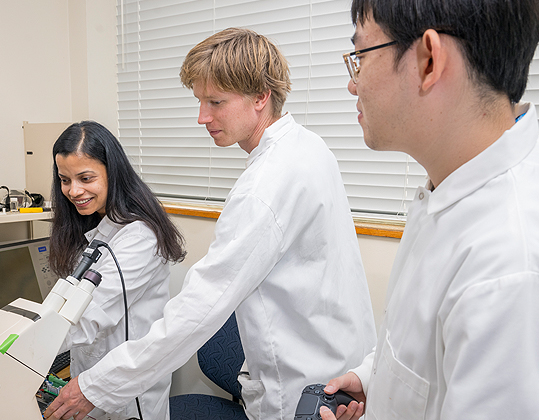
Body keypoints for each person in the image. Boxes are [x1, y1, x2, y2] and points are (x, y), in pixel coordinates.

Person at [44, 28, 376, 420]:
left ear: (260, 96)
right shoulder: (309, 149)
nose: (203, 117)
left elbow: (200, 307)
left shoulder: (265, 186)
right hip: (333, 373)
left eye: (215, 102)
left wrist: (100, 385)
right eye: (201, 101)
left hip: (299, 393)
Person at [320, 1, 539, 419]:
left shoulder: (519, 271)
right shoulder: (452, 188)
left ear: (429, 59)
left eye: (361, 56)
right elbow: (435, 352)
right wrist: (377, 381)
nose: (353, 85)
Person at [46, 121, 185, 420]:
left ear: (113, 172)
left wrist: (14, 343)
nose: (74, 190)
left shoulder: (139, 237)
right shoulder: (95, 229)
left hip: (126, 395)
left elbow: (87, 316)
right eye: (65, 180)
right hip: (91, 381)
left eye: (85, 178)